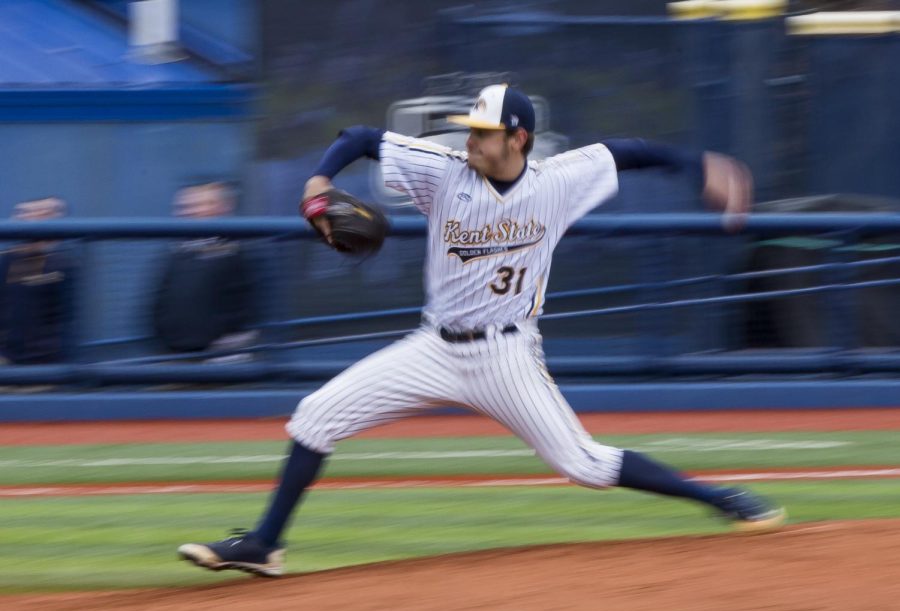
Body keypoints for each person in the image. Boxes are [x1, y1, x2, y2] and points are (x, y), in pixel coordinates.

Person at [178, 84, 783, 577]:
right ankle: (264, 545)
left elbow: (630, 151)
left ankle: (721, 499)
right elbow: (359, 138)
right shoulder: (444, 172)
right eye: (470, 129)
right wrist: (318, 180)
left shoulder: (558, 180)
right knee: (314, 415)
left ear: (518, 138)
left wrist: (702, 164)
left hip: (507, 356)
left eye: (483, 132)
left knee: (586, 466)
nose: (470, 139)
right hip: (434, 347)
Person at [152, 182, 257, 360]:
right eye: (185, 207)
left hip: (222, 357)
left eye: (199, 205)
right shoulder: (177, 251)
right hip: (176, 354)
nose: (189, 212)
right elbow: (160, 297)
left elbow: (255, 303)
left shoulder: (240, 249)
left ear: (222, 207)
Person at [0, 197, 76, 365]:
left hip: (45, 361)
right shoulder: (6, 261)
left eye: (44, 212)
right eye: (26, 212)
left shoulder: (61, 264)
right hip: (7, 358)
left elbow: (66, 318)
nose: (32, 216)